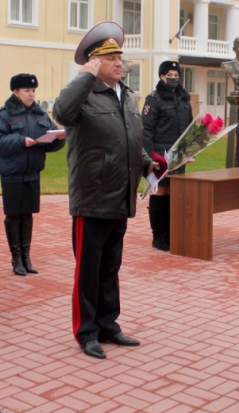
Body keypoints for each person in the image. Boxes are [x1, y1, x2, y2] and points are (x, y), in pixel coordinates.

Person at [53, 21, 157, 360]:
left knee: (111, 266)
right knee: (89, 269)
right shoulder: (83, 94)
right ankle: (86, 332)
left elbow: (130, 139)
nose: (118, 62)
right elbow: (61, 112)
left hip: (121, 196)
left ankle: (108, 324)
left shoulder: (126, 95)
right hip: (93, 197)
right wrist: (85, 75)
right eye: (110, 57)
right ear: (94, 62)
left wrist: (146, 164)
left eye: (119, 57)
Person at [0, 74, 66, 276]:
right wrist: (21, 141)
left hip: (32, 172)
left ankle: (27, 258)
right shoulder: (5, 114)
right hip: (12, 173)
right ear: (15, 92)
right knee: (13, 215)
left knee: (27, 214)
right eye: (27, 91)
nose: (31, 94)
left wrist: (59, 138)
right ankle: (16, 258)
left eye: (33, 90)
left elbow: (51, 141)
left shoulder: (40, 113)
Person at [142, 61, 193, 251]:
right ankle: (159, 236)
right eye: (168, 74)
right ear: (161, 76)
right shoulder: (153, 99)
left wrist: (189, 151)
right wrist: (150, 158)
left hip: (178, 156)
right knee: (159, 193)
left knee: (174, 193)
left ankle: (172, 233)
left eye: (175, 74)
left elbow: (189, 128)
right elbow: (146, 130)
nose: (173, 78)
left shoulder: (183, 98)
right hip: (160, 156)